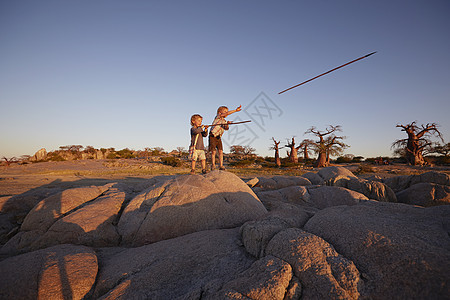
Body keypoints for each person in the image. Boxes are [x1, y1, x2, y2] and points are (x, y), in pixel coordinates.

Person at [209, 105, 242, 170]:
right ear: (219, 112)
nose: (226, 112)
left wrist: (227, 123)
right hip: (212, 136)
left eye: (227, 111)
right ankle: (213, 165)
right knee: (213, 151)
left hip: (218, 137)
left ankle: (221, 165)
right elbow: (226, 114)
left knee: (220, 151)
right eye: (225, 111)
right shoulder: (218, 117)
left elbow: (226, 128)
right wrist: (235, 110)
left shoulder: (224, 121)